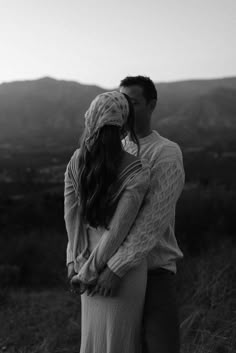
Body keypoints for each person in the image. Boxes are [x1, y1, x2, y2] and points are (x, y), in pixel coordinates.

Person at [91, 76, 185, 353]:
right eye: (122, 103)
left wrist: (115, 269)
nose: (126, 111)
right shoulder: (115, 151)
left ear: (152, 105)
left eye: (133, 103)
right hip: (111, 271)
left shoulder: (166, 153)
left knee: (160, 347)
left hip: (154, 271)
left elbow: (152, 222)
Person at [64, 91, 151, 353]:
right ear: (124, 124)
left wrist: (76, 262)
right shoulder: (138, 169)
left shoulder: (76, 161)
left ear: (90, 119)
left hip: (86, 268)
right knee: (120, 343)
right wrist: (90, 270)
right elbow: (118, 232)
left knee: (94, 343)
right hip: (117, 271)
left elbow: (72, 221)